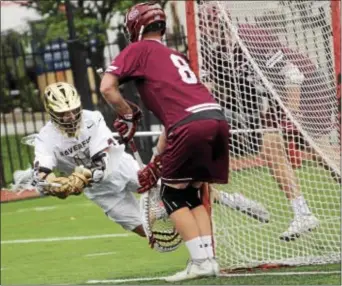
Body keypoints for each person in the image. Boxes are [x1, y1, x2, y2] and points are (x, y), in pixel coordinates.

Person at [100, 2, 229, 282]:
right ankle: (208, 260)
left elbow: (107, 87)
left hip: (188, 125)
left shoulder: (137, 50)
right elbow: (178, 118)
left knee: (172, 195)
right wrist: (156, 162)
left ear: (135, 27)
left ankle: (199, 262)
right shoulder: (176, 56)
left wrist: (128, 113)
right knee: (192, 194)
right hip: (215, 120)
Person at [198, 5, 324, 241]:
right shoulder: (216, 53)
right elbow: (209, 88)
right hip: (277, 100)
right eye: (205, 28)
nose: (208, 33)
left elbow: (293, 74)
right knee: (273, 148)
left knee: (323, 155)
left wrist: (290, 116)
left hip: (306, 92)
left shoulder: (250, 37)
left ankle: (303, 212)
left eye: (211, 26)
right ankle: (303, 213)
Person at [31, 81, 160, 238]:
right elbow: (42, 172)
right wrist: (56, 185)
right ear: (51, 112)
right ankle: (158, 214)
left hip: (120, 167)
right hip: (101, 190)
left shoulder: (93, 118)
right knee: (147, 231)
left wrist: (81, 177)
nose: (71, 116)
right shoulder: (45, 138)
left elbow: (102, 160)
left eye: (73, 110)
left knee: (172, 193)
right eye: (63, 113)